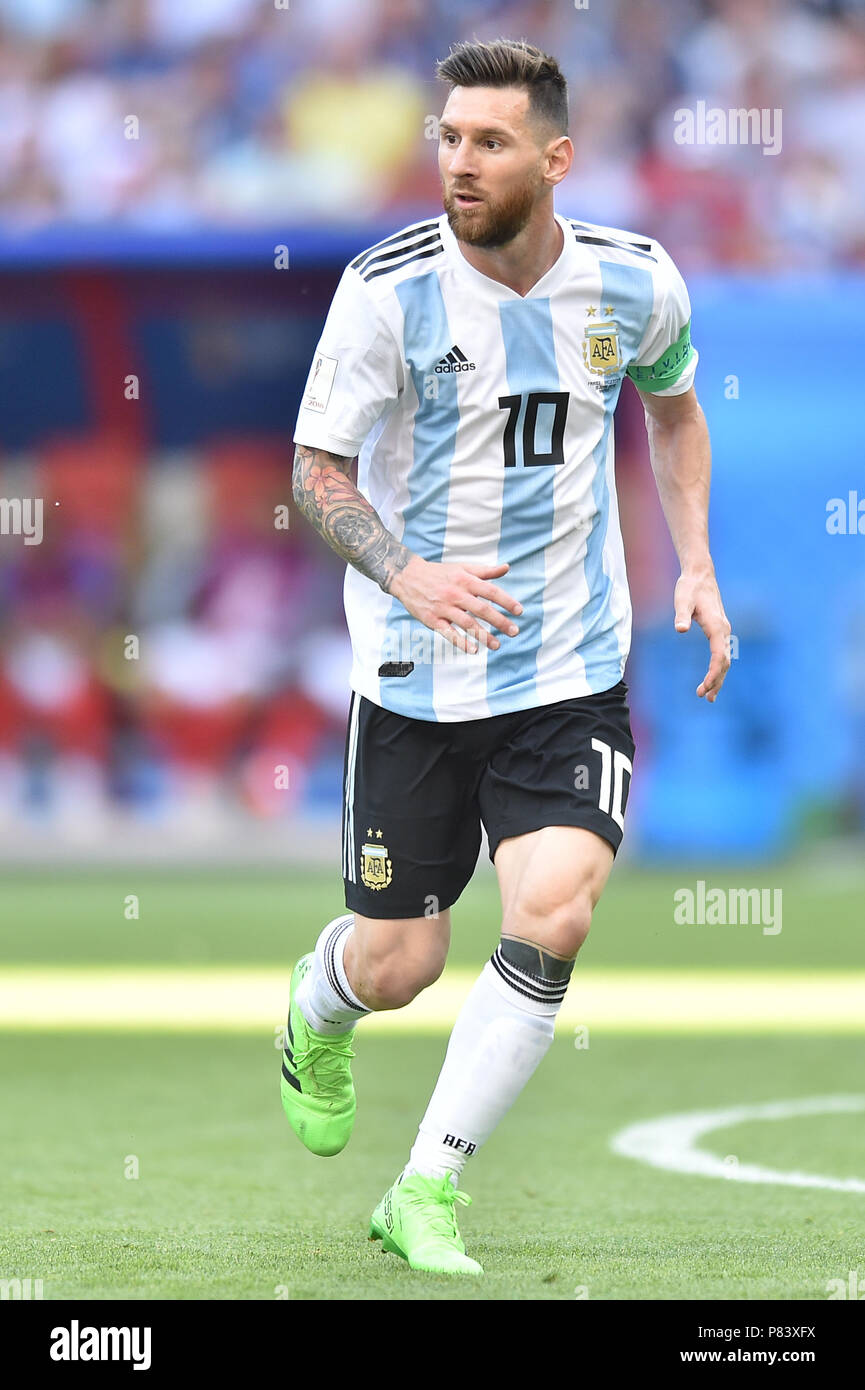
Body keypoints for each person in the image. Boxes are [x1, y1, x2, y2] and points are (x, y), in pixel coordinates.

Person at [284, 37, 731, 1276]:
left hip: (570, 664)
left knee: (556, 908)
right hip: (416, 672)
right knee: (399, 963)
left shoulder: (636, 283)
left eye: (487, 142)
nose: (458, 162)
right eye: (447, 137)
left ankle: (427, 1186)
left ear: (554, 156)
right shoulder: (386, 292)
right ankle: (317, 1009)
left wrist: (693, 561)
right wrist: (407, 572)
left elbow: (676, 410)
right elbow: (315, 473)